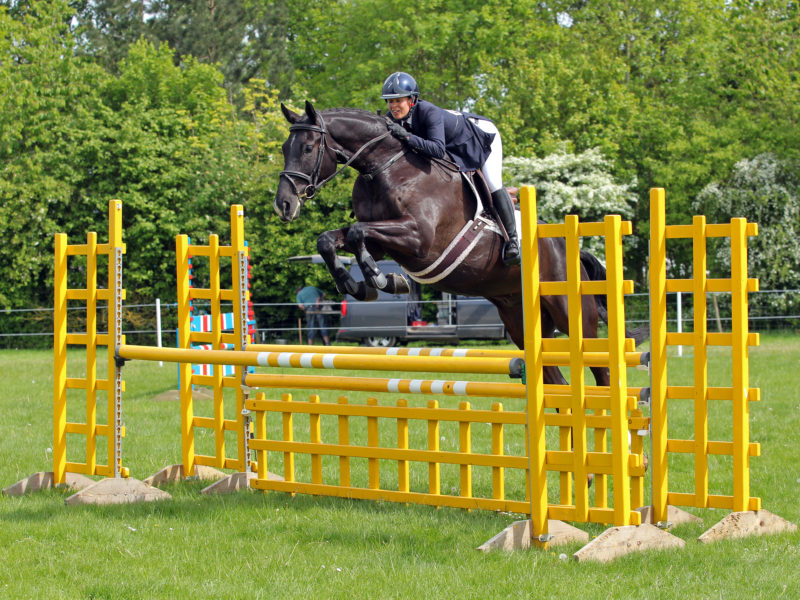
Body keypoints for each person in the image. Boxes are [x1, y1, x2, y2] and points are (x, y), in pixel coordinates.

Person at [380, 71, 521, 265]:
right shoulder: (394, 118)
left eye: (398, 101)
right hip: (452, 144)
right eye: (390, 101)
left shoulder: (429, 112)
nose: (393, 106)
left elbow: (437, 149)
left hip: (479, 136)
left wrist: (406, 137)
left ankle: (513, 241)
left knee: (493, 182)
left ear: (412, 100)